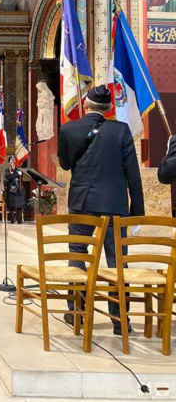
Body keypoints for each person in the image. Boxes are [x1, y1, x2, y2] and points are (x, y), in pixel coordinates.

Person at [58, 84, 144, 334]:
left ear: (85, 105)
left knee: (77, 253)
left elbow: (64, 164)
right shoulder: (121, 130)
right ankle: (120, 321)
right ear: (109, 108)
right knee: (117, 260)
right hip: (115, 204)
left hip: (82, 202)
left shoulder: (68, 129)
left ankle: (76, 313)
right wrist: (136, 210)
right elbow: (133, 173)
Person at [4, 156, 26, 224]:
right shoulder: (7, 170)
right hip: (11, 189)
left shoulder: (19, 169)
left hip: (19, 188)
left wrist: (25, 157)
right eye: (11, 160)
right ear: (9, 162)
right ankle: (12, 219)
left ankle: (19, 219)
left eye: (14, 160)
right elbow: (9, 177)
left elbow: (25, 165)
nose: (13, 161)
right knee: (12, 205)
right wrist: (17, 174)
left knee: (19, 204)